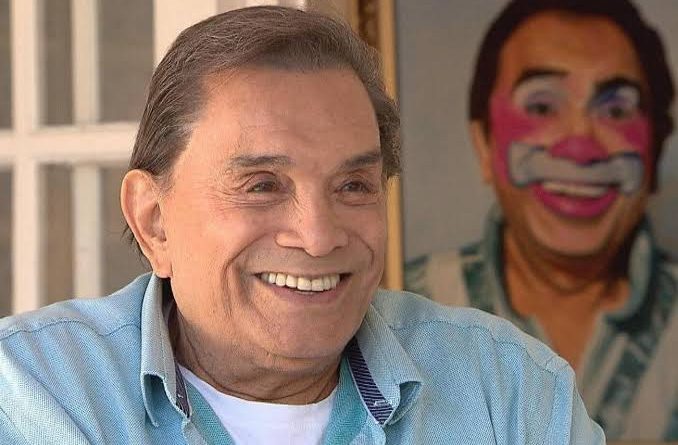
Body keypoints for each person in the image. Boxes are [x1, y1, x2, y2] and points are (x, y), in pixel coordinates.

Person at [0, 6, 602, 444]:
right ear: (154, 221)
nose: (317, 237)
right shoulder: (30, 393)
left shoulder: (508, 392)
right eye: (262, 185)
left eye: (353, 186)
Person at [405, 0, 677, 441]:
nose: (581, 144)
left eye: (616, 111)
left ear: (656, 151)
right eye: (543, 106)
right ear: (484, 145)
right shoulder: (400, 311)